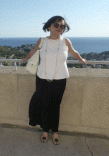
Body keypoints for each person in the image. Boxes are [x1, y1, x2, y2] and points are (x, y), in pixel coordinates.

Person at [22, 16, 87, 145]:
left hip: (60, 79)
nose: (59, 28)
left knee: (55, 106)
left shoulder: (66, 42)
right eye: (56, 25)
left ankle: (55, 131)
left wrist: (82, 60)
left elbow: (73, 52)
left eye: (62, 26)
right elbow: (33, 52)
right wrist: (24, 60)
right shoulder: (42, 41)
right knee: (44, 105)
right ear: (49, 26)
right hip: (42, 79)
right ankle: (45, 130)